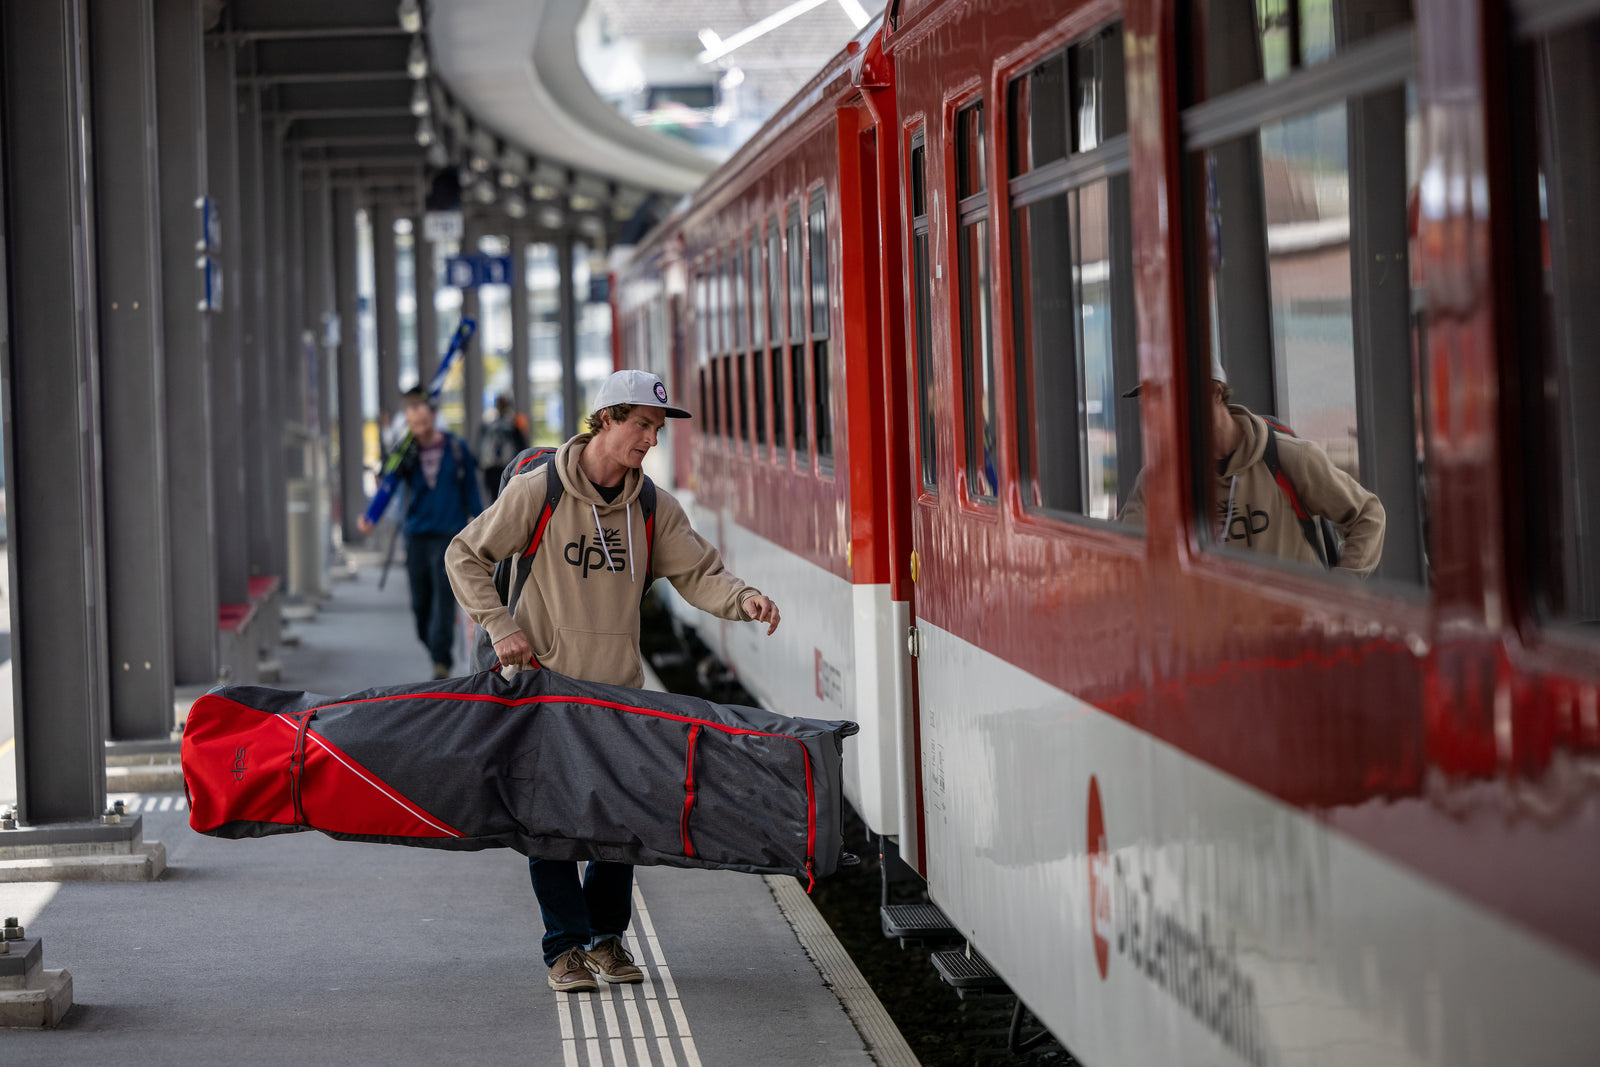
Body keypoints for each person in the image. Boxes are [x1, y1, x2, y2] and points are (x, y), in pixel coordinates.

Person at [444, 368, 782, 995]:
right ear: (606, 419)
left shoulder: (651, 508)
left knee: (618, 820)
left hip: (618, 690)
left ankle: (606, 939)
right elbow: (464, 554)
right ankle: (564, 948)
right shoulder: (538, 491)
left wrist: (745, 599)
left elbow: (699, 573)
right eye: (642, 426)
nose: (651, 441)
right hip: (545, 685)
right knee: (551, 822)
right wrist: (498, 625)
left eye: (656, 429)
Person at [1119, 359, 1386, 575]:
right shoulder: (1160, 480)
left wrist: (1340, 592)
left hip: (1296, 635)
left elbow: (1367, 513)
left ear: (1215, 392)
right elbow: (1123, 552)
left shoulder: (1288, 458)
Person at [359, 387, 482, 678]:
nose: (420, 430)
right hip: (416, 534)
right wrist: (371, 517)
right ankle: (434, 646)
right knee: (420, 602)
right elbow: (388, 485)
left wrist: (482, 525)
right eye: (414, 425)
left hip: (449, 533)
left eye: (424, 423)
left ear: (434, 418)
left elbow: (472, 491)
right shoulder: (406, 451)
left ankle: (441, 660)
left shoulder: (456, 448)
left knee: (443, 596)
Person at [478, 392, 529, 503]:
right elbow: (522, 446)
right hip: (508, 465)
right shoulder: (513, 424)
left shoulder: (488, 423)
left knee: (492, 499)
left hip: (490, 466)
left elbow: (480, 446)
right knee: (507, 498)